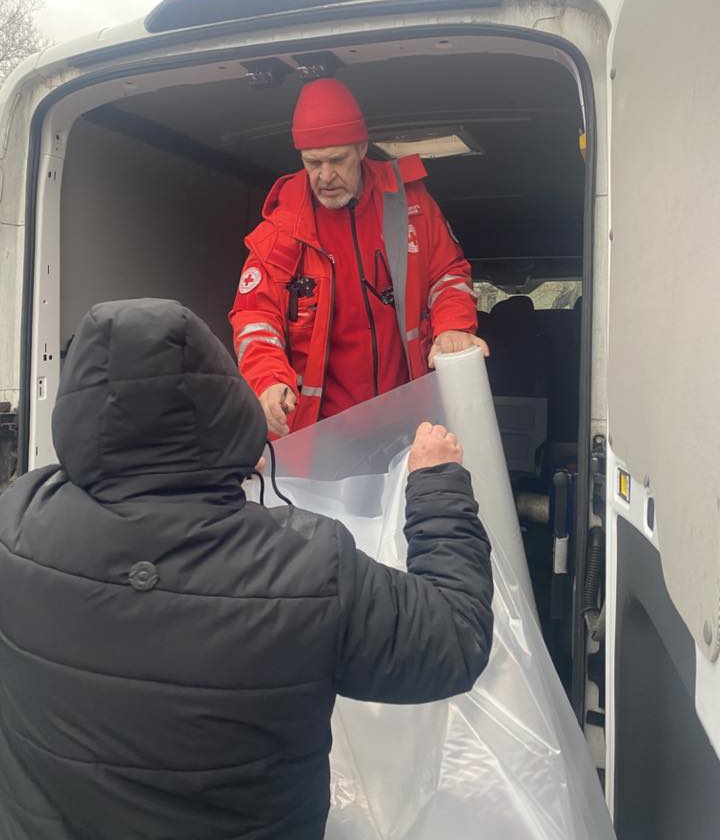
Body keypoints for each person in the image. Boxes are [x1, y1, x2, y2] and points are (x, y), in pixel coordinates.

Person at [0, 298, 494, 840]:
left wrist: (217, 462)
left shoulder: (17, 523)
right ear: (227, 402)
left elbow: (119, 478)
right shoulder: (308, 568)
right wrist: (436, 482)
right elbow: (454, 636)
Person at [229, 78, 488, 437]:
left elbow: (448, 274)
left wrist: (453, 326)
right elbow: (254, 318)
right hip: (322, 432)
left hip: (412, 420)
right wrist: (268, 379)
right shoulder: (281, 228)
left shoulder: (410, 205)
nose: (325, 176)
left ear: (362, 148)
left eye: (337, 160)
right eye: (313, 162)